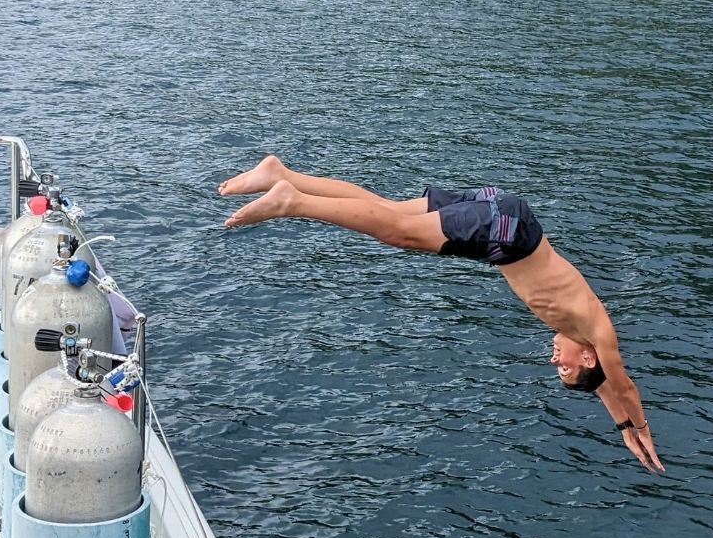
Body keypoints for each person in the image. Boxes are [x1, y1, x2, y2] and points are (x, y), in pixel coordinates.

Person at [219, 156, 666, 472]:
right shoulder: (597, 330)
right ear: (588, 358)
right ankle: (291, 201)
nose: (554, 362)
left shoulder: (580, 339)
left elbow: (606, 388)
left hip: (504, 218)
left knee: (388, 210)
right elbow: (619, 380)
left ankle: (282, 175)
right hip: (507, 234)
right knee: (399, 234)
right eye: (564, 369)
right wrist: (641, 426)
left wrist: (623, 426)